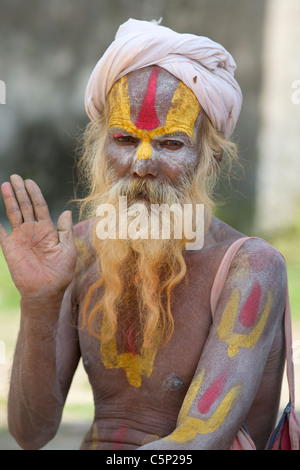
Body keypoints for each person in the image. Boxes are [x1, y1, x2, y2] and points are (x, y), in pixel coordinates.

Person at [0, 19, 290, 450]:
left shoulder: (251, 269)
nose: (141, 165)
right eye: (123, 138)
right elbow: (30, 432)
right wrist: (39, 303)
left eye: (170, 144)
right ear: (100, 147)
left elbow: (197, 442)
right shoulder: (78, 251)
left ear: (210, 159)